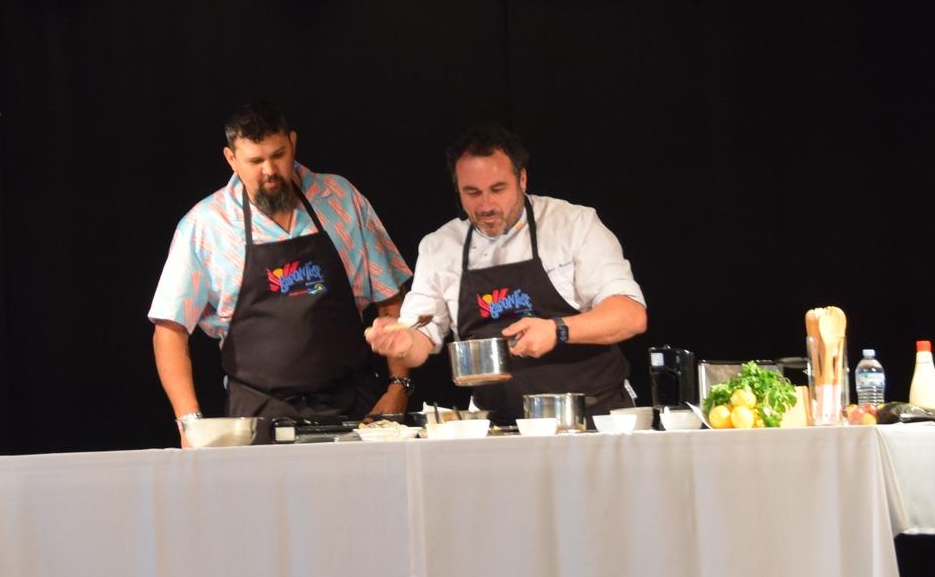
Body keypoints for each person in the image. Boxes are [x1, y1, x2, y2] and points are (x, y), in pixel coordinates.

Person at [149, 101, 413, 441]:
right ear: (231, 159)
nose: (269, 171)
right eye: (255, 161)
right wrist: (189, 422)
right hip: (259, 414)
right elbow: (169, 332)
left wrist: (399, 386)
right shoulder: (205, 227)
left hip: (355, 410)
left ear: (293, 143)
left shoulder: (340, 199)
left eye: (279, 155)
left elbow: (391, 299)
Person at [365, 123, 646, 422]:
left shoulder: (574, 224)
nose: (486, 205)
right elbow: (420, 338)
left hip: (595, 414)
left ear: (522, 179)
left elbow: (630, 315)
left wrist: (556, 330)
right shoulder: (440, 248)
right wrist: (401, 343)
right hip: (497, 422)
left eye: (497, 189)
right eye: (472, 192)